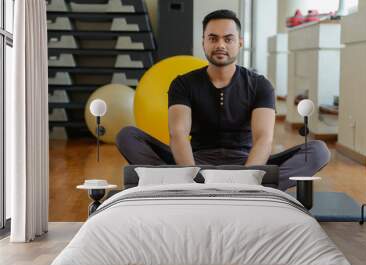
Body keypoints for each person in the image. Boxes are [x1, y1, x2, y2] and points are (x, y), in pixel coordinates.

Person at [116, 9, 330, 190]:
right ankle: (193, 186)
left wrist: (247, 178)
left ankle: (246, 189)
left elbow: (264, 138)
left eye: (228, 39)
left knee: (318, 151)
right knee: (127, 136)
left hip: (246, 164)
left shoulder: (259, 84)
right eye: (213, 38)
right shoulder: (183, 83)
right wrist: (192, 176)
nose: (220, 45)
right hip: (196, 162)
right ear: (203, 42)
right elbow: (178, 135)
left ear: (239, 43)